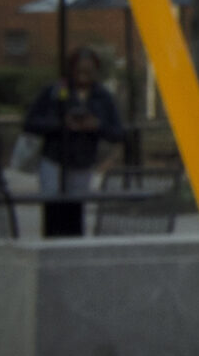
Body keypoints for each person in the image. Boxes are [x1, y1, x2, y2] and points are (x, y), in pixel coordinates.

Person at [22, 47, 124, 238]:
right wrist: (61, 124)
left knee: (75, 209)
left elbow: (117, 132)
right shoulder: (55, 91)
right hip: (54, 159)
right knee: (53, 209)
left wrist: (96, 126)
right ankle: (52, 242)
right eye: (79, 71)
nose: (84, 76)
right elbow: (30, 122)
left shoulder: (103, 96)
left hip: (83, 161)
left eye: (89, 71)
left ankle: (72, 243)